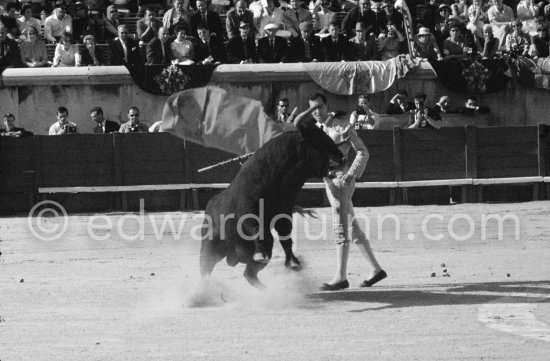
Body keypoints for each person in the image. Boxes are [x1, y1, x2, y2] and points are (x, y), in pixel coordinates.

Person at [294, 93, 386, 291]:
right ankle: (376, 269)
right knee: (351, 225)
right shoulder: (312, 129)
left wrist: (351, 174)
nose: (317, 112)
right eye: (313, 108)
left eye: (319, 107)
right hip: (329, 181)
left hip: (341, 182)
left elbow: (363, 151)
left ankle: (341, 277)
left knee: (340, 223)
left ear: (327, 106)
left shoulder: (341, 126)